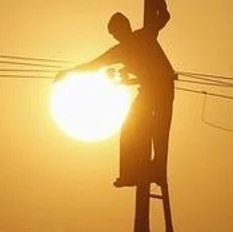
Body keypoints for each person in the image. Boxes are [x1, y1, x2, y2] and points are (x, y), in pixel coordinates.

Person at [57, 0, 175, 187]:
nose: (117, 37)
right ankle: (132, 173)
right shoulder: (121, 50)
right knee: (131, 128)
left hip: (162, 87)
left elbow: (164, 17)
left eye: (117, 32)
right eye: (114, 35)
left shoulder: (144, 35)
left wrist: (158, 2)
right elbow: (94, 65)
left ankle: (156, 171)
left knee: (159, 130)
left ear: (125, 27)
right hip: (149, 90)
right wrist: (69, 72)